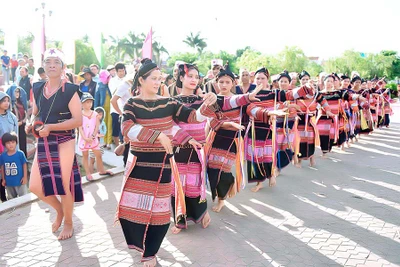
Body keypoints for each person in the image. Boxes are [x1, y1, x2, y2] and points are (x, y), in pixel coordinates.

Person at [117, 58, 217, 267]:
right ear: (141, 80)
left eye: (159, 78)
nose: (157, 82)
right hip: (139, 165)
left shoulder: (168, 103)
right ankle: (141, 245)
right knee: (132, 210)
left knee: (161, 214)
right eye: (153, 78)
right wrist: (157, 136)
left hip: (162, 164)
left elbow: (194, 117)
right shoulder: (132, 104)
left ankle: (150, 253)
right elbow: (127, 128)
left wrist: (208, 103)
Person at [26, 48, 83, 240]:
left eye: (56, 62)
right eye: (48, 62)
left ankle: (69, 222)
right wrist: (29, 123)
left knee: (63, 183)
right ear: (43, 66)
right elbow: (34, 112)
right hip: (43, 138)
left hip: (65, 139)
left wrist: (51, 126)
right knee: (34, 185)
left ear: (63, 67)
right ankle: (60, 211)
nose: (52, 65)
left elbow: (77, 121)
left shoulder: (71, 90)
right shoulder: (37, 88)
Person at [206, 63, 263, 212]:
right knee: (212, 168)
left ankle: (222, 199)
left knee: (223, 170)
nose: (224, 85)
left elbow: (253, 109)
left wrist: (268, 114)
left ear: (233, 83)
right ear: (216, 83)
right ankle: (219, 193)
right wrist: (227, 123)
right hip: (216, 137)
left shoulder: (240, 100)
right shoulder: (214, 100)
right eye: (221, 82)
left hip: (232, 139)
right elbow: (212, 121)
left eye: (227, 82)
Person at [78, 93, 112, 181]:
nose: (89, 104)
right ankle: (88, 173)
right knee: (85, 156)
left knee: (98, 154)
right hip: (84, 138)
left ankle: (101, 170)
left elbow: (97, 126)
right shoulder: (80, 114)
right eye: (86, 102)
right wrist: (85, 138)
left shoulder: (95, 114)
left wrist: (93, 136)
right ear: (81, 103)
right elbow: (80, 128)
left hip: (93, 138)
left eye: (90, 102)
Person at [0, 91, 19, 202]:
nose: (6, 103)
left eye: (7, 101)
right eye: (3, 101)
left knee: (13, 173)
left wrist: (16, 150)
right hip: (1, 150)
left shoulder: (12, 117)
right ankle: (4, 198)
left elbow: (16, 134)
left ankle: (16, 198)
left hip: (12, 150)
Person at [0, 132, 28, 199]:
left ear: (16, 142)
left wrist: (25, 177)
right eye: (8, 143)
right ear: (4, 144)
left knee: (23, 198)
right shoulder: (3, 156)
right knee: (11, 199)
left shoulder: (20, 154)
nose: (11, 145)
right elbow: (2, 168)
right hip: (9, 182)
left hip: (20, 181)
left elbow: (24, 165)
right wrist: (3, 179)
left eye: (13, 142)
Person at [94, 70, 113, 149]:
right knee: (103, 125)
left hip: (112, 108)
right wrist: (95, 108)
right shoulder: (100, 85)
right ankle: (104, 142)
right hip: (102, 108)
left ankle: (108, 142)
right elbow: (97, 96)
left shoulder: (111, 84)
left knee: (110, 124)